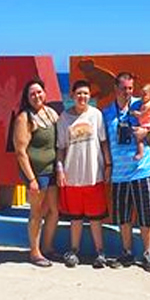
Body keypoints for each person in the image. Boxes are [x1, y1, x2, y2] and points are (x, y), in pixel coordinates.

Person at [102, 72, 150, 272]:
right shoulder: (107, 113)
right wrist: (107, 167)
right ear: (115, 88)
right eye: (123, 88)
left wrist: (147, 132)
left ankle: (147, 254)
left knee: (145, 215)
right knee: (123, 217)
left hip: (142, 169)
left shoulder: (141, 105)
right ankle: (127, 252)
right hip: (119, 173)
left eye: (130, 88)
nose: (127, 92)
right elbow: (104, 142)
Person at [55, 80, 112, 268]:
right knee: (76, 218)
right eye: (79, 93)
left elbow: (103, 142)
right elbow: (61, 148)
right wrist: (60, 169)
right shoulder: (64, 117)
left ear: (90, 96)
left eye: (86, 94)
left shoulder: (96, 115)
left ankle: (100, 252)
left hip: (94, 175)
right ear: (72, 95)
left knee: (96, 218)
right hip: (72, 177)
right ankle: (74, 251)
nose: (82, 97)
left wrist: (108, 165)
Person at [13, 79, 60, 267]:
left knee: (53, 210)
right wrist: (31, 179)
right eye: (32, 94)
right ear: (27, 97)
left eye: (39, 92)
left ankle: (47, 248)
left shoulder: (51, 114)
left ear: (45, 93)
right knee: (37, 212)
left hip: (52, 171)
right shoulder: (24, 118)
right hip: (36, 173)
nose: (36, 96)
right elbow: (20, 151)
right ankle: (35, 252)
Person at [131, 83, 150, 160]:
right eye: (141, 94)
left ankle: (141, 153)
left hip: (146, 124)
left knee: (139, 140)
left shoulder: (147, 105)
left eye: (145, 95)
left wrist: (135, 113)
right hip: (147, 123)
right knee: (149, 139)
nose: (142, 97)